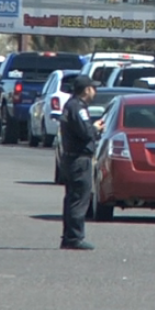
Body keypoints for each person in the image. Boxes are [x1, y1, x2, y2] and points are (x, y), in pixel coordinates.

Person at [59, 75, 105, 251]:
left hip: (72, 158)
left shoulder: (72, 106)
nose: (95, 91)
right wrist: (96, 128)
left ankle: (69, 236)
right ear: (86, 90)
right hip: (78, 159)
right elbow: (85, 133)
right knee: (79, 198)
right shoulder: (77, 108)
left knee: (73, 198)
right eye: (93, 87)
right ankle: (74, 237)